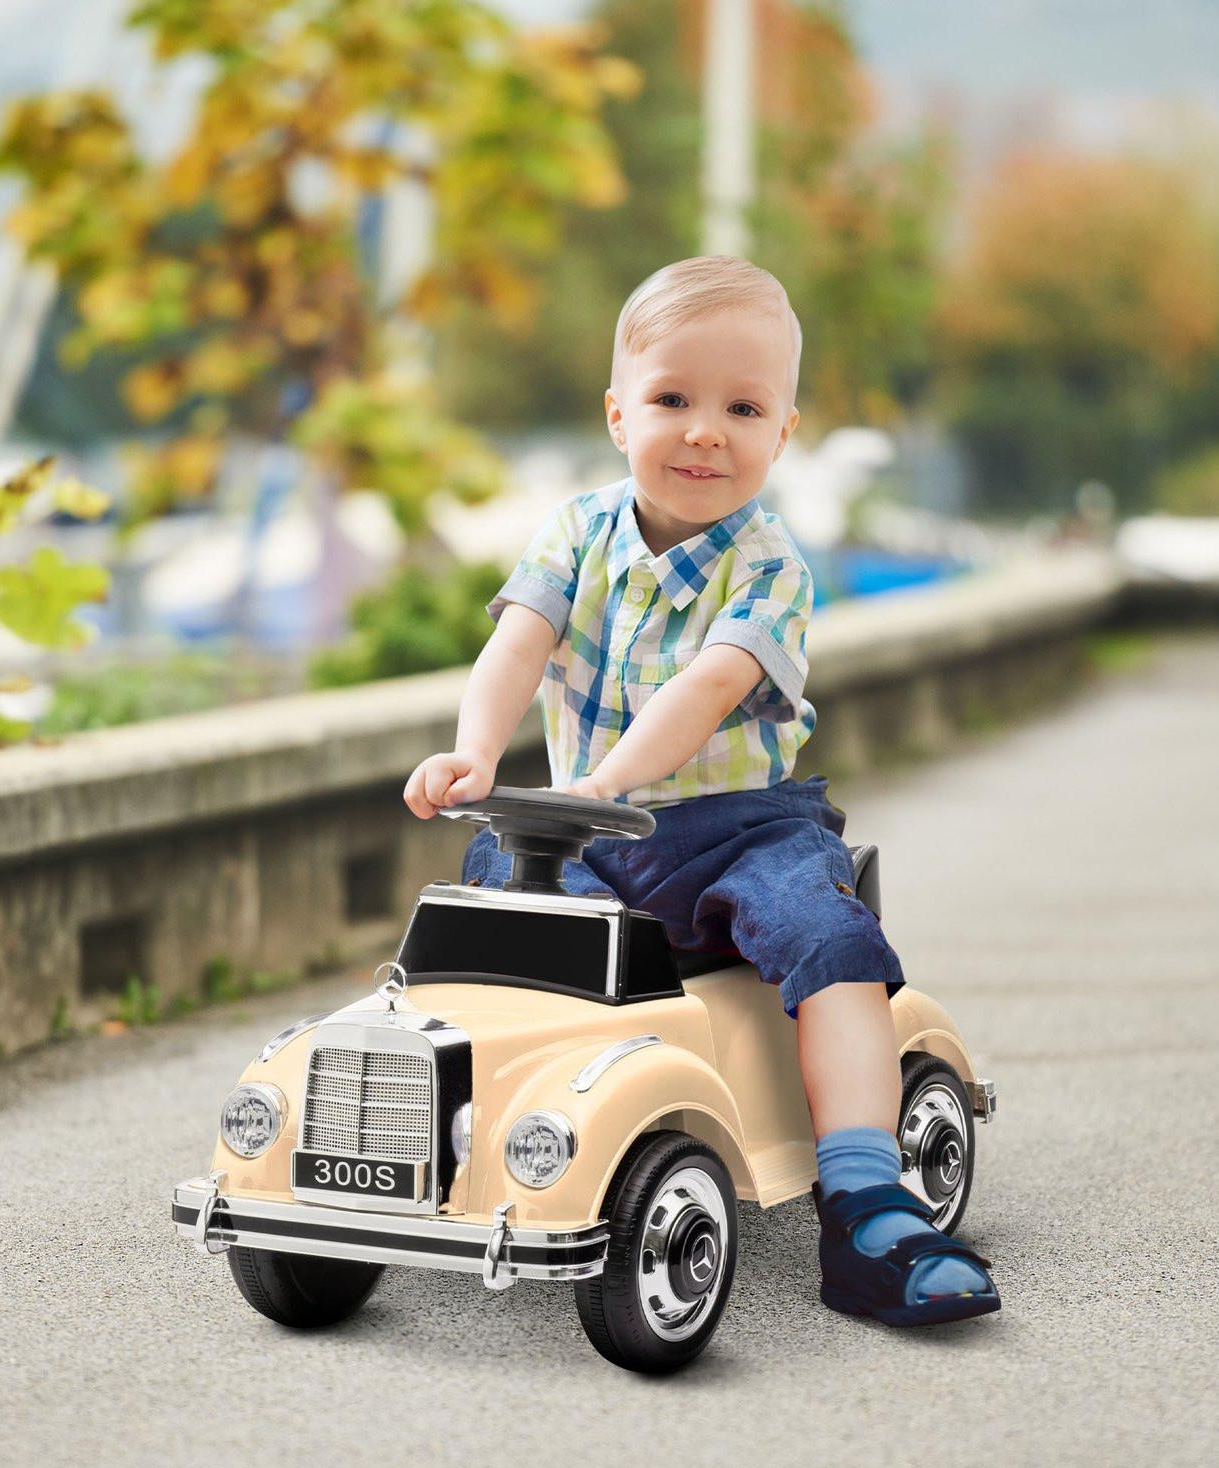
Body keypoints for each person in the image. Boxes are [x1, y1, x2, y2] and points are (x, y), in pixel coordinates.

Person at [404, 255, 999, 1326]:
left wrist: (607, 778)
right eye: (673, 399)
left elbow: (705, 688)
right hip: (582, 828)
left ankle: (866, 1201)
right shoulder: (576, 530)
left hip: (739, 826)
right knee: (491, 940)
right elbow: (518, 644)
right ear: (618, 413)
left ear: (783, 432)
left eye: (743, 407)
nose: (704, 431)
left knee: (828, 937)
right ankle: (472, 1146)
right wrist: (476, 755)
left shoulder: (770, 566)